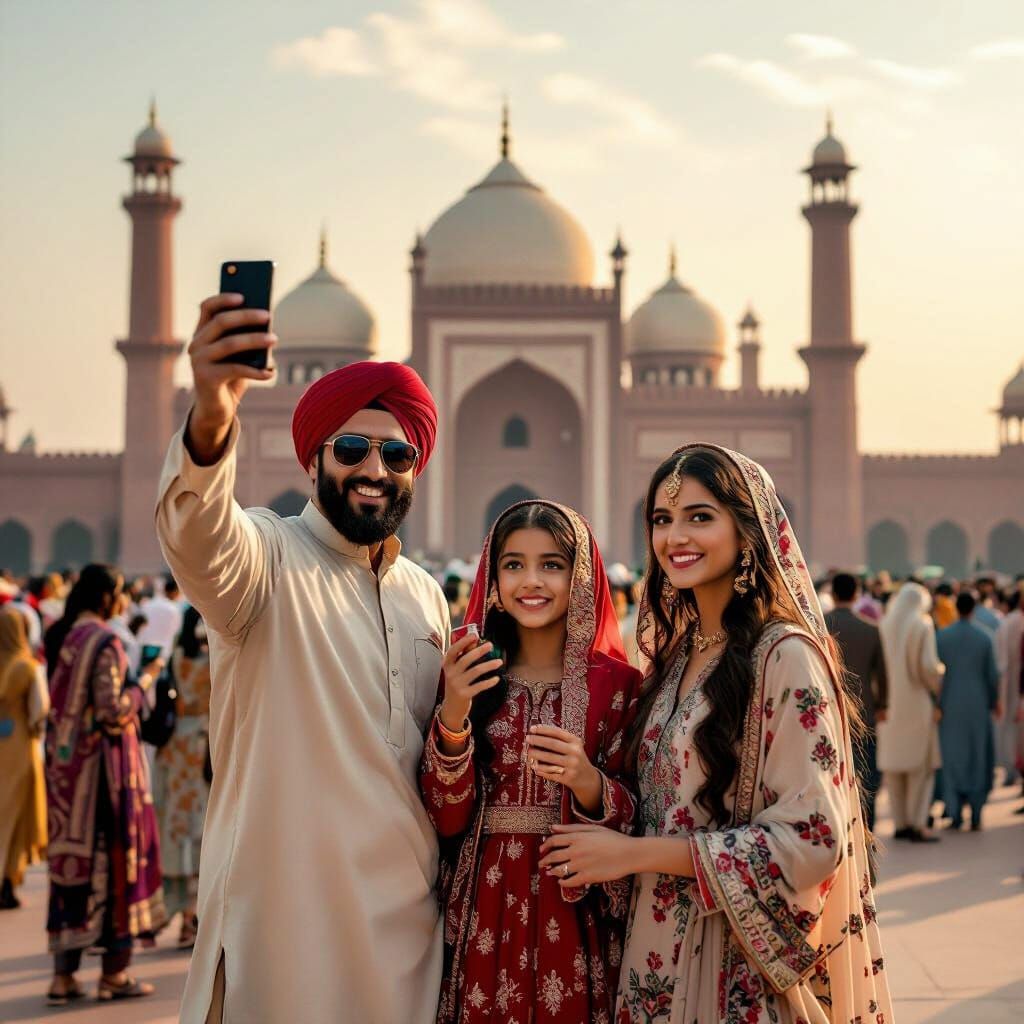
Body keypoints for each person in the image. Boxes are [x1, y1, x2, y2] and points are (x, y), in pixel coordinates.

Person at [156, 292, 448, 1024]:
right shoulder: (267, 559)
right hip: (282, 936)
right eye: (351, 449)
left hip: (407, 936)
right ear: (314, 457)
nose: (373, 468)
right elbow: (201, 539)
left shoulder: (425, 596)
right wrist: (214, 410)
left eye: (396, 452)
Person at [537, 445, 893, 1023]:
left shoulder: (784, 657)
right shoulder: (678, 658)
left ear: (746, 529)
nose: (676, 536)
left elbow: (813, 839)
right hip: (654, 959)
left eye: (700, 516)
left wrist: (634, 854)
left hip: (735, 974)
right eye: (662, 519)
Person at [420, 501, 642, 1023]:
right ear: (492, 577)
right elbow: (444, 816)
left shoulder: (616, 686)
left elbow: (641, 815)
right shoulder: (464, 669)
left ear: (580, 575)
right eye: (514, 564)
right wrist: (454, 712)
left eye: (552, 564)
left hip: (576, 905)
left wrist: (588, 782)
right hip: (484, 902)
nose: (531, 581)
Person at [43, 564, 165, 1005]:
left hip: (66, 774)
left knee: (71, 871)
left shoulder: (64, 635)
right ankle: (114, 975)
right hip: (105, 776)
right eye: (116, 593)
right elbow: (112, 710)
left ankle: (63, 977)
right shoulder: (107, 640)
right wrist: (147, 678)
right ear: (105, 597)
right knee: (117, 864)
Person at [152, 606, 211, 947]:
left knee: (179, 826)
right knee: (204, 826)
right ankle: (197, 914)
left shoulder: (175, 658)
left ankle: (183, 912)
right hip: (205, 746)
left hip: (177, 750)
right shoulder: (216, 657)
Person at [878, 582, 945, 842]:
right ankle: (917, 823)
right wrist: (940, 675)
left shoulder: (884, 624)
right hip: (916, 703)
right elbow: (929, 666)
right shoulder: (922, 624)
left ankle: (900, 822)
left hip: (890, 705)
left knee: (894, 769)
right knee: (920, 768)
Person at [825, 571, 889, 830]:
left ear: (833, 593)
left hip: (826, 712)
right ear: (855, 594)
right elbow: (882, 675)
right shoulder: (871, 630)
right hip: (864, 714)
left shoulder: (820, 625)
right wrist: (884, 705)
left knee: (831, 776)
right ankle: (866, 830)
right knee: (866, 776)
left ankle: (838, 829)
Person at [936, 591, 1000, 830]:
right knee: (977, 756)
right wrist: (995, 702)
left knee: (952, 757)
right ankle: (976, 811)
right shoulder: (985, 637)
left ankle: (954, 812)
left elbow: (936, 676)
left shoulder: (942, 637)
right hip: (978, 705)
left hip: (950, 705)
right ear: (974, 608)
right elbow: (992, 676)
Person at [0, 608, 48, 910]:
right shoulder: (27, 667)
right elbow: (40, 709)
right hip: (19, 745)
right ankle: (8, 880)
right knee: (16, 816)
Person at [995, 590, 1023, 787]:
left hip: (1011, 685)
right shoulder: (1015, 622)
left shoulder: (1007, 623)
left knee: (1010, 730)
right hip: (1017, 684)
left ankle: (1012, 769)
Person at [138, 575, 184, 659]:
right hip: (164, 652)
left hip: (144, 647)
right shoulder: (174, 609)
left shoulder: (147, 604)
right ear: (175, 592)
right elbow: (177, 632)